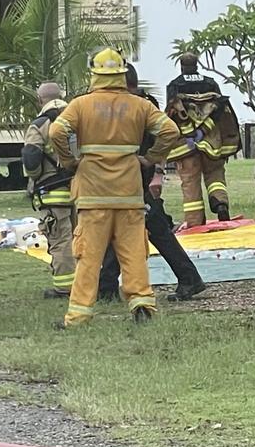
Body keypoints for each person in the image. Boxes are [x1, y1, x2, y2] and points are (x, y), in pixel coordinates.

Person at [48, 48, 181, 327]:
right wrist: (152, 158)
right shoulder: (139, 105)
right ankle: (142, 304)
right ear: (122, 74)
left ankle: (79, 315)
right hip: (129, 194)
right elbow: (171, 131)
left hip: (93, 195)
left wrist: (69, 161)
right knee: (133, 253)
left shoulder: (81, 104)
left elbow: (56, 131)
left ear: (94, 74)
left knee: (88, 257)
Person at [99, 64, 206, 303]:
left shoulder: (133, 106)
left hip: (130, 178)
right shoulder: (144, 104)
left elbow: (168, 132)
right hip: (133, 177)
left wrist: (150, 160)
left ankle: (107, 287)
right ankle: (106, 285)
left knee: (132, 228)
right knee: (141, 228)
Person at [164, 52, 240, 227]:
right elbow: (220, 110)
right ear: (197, 65)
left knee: (190, 182)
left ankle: (195, 223)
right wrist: (204, 130)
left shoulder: (175, 85)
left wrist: (189, 133)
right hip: (212, 141)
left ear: (181, 66)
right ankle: (220, 203)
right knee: (215, 174)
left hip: (186, 144)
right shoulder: (210, 83)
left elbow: (171, 114)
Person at [22, 82, 75, 299]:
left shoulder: (40, 124)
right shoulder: (75, 118)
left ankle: (65, 287)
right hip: (82, 188)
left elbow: (31, 157)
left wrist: (34, 178)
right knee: (81, 236)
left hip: (53, 191)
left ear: (39, 100)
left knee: (60, 238)